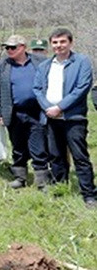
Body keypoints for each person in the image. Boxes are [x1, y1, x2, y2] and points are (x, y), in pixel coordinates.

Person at [33, 28, 96, 208]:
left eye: (62, 42)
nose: (58, 46)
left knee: (80, 156)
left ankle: (89, 194)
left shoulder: (81, 61)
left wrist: (60, 107)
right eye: (55, 42)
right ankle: (60, 188)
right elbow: (37, 89)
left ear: (70, 43)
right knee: (56, 155)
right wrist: (48, 108)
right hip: (51, 118)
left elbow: (82, 87)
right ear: (51, 44)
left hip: (73, 118)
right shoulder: (45, 65)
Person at [0, 35, 48, 189]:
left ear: (23, 47)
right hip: (14, 113)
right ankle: (20, 178)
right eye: (7, 47)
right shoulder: (1, 65)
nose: (9, 50)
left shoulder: (40, 62)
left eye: (12, 47)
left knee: (39, 147)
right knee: (18, 147)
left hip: (37, 112)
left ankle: (41, 180)